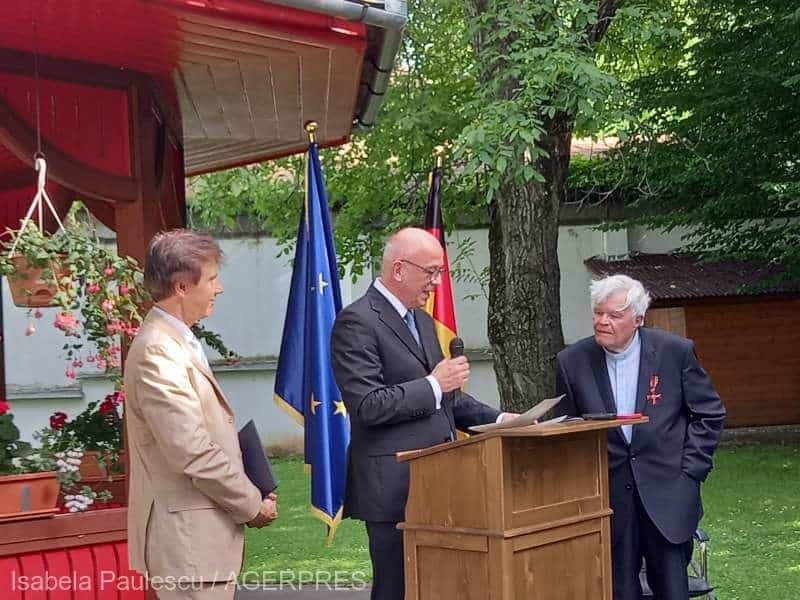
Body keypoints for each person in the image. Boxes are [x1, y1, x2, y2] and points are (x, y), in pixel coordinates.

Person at [331, 227, 512, 600]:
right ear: (399, 269)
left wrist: (500, 421)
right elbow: (368, 405)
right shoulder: (357, 322)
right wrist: (433, 383)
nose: (436, 283)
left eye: (439, 273)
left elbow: (446, 400)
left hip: (440, 483)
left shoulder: (422, 321)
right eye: (431, 272)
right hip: (394, 487)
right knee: (397, 589)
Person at [124, 230, 277, 600]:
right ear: (180, 287)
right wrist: (251, 504)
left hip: (200, 544)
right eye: (211, 279)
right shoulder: (157, 352)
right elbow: (191, 451)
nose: (219, 288)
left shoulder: (175, 340)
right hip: (188, 548)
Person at [555, 274, 726, 600]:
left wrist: (690, 472)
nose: (603, 321)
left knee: (672, 590)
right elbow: (567, 430)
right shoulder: (571, 362)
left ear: (638, 319)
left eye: (614, 315)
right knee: (618, 590)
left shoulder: (674, 352)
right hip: (607, 501)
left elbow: (709, 414)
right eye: (598, 312)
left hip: (668, 496)